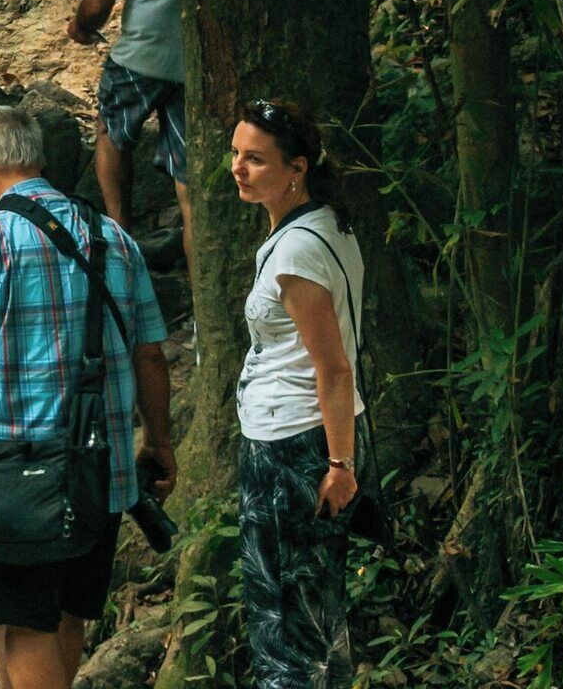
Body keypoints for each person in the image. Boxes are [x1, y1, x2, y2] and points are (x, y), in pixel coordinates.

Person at [0, 106, 177, 689]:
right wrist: (160, 442)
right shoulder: (113, 237)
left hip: (18, 484)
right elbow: (151, 354)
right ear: (38, 160)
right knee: (67, 615)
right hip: (100, 475)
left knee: (22, 630)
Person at [230, 100, 366, 689]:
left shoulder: (296, 252)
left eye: (256, 159)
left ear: (297, 168)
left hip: (292, 446)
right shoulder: (324, 224)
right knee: (315, 611)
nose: (238, 168)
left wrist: (340, 464)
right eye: (236, 154)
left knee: (284, 622)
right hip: (301, 436)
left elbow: (333, 369)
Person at [66, 0, 190, 243]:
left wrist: (80, 27)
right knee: (188, 180)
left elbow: (98, 4)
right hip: (193, 59)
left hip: (142, 55)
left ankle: (121, 234)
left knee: (111, 134)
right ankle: (199, 281)